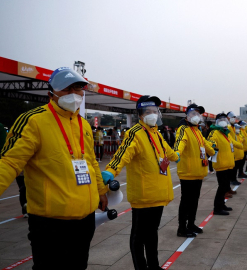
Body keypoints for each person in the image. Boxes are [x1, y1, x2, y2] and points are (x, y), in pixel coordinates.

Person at [0, 67, 108, 270]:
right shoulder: (34, 120)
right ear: (51, 93)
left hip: (85, 218)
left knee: (78, 266)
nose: (75, 95)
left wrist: (101, 191)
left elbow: (92, 162)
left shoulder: (83, 124)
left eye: (78, 89)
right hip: (50, 222)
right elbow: (8, 163)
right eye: (68, 89)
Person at [103, 95, 179, 270]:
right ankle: (141, 267)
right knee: (138, 235)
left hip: (158, 193)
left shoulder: (157, 134)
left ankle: (153, 265)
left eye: (155, 111)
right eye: (148, 112)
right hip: (144, 194)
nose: (152, 114)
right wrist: (110, 170)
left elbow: (167, 152)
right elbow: (122, 154)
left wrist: (177, 156)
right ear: (140, 114)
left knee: (152, 233)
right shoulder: (135, 133)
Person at [173, 104, 215, 237]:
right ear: (187, 115)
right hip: (188, 172)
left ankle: (191, 223)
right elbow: (180, 142)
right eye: (194, 113)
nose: (196, 116)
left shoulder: (197, 130)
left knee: (195, 200)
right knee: (186, 200)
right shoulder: (183, 129)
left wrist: (213, 150)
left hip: (198, 171)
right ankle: (182, 227)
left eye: (198, 114)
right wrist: (177, 153)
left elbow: (205, 144)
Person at [207, 113, 243, 215]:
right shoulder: (214, 133)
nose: (223, 121)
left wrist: (242, 145)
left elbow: (233, 143)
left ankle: (222, 205)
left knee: (225, 187)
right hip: (221, 165)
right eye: (221, 119)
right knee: (221, 187)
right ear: (217, 121)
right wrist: (212, 146)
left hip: (228, 164)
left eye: (224, 119)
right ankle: (217, 208)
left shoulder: (226, 134)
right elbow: (210, 143)